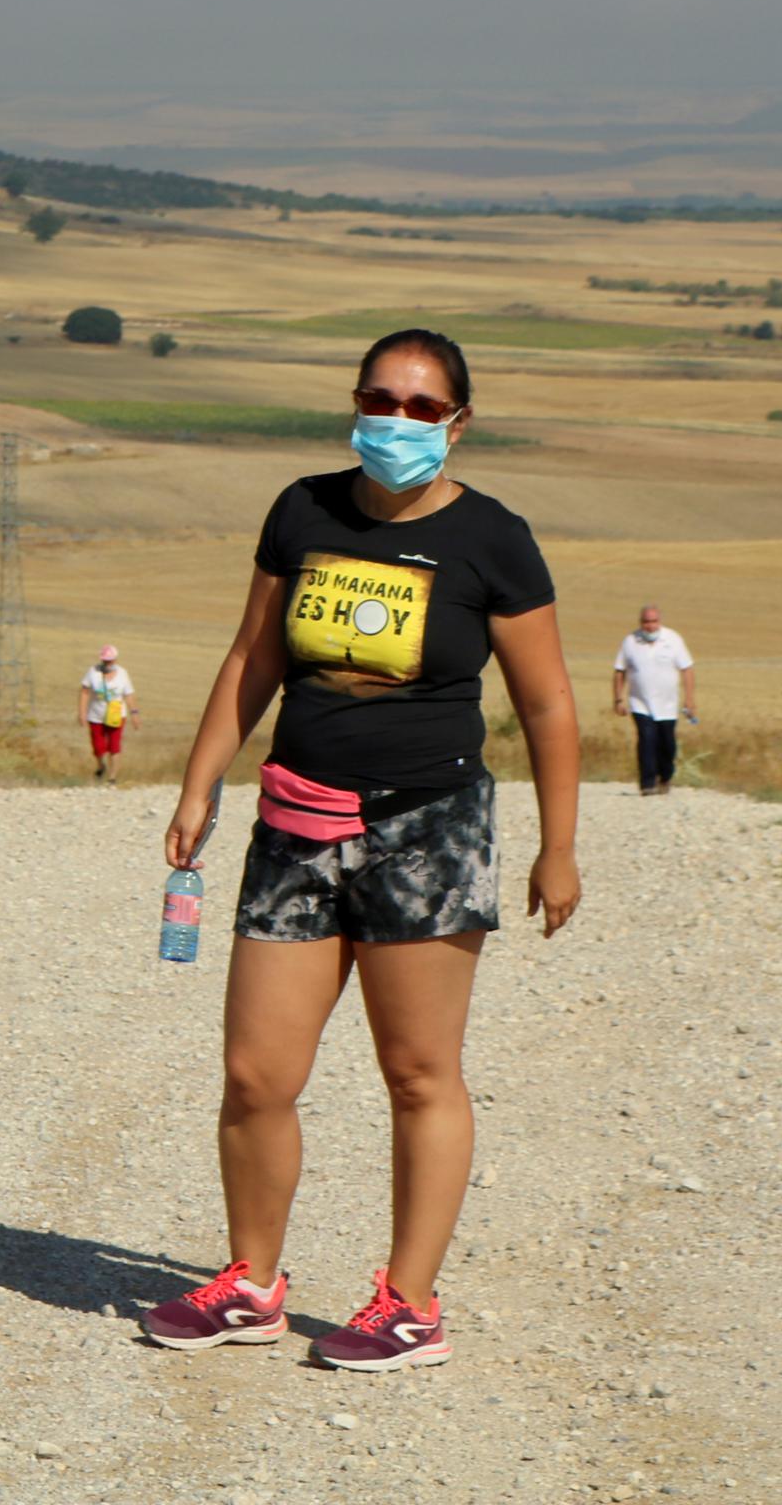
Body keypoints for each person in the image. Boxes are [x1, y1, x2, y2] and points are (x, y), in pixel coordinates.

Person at [140, 327, 580, 1372]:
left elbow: (550, 699)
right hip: (294, 820)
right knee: (255, 1071)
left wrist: (559, 845)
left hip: (426, 828)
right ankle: (251, 1283)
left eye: (423, 408)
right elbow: (253, 652)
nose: (397, 421)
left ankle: (410, 1302)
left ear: (458, 422)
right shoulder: (303, 509)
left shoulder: (494, 538)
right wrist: (201, 779)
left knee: (420, 1069)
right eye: (380, 398)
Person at [611, 605, 696, 796]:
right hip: (640, 703)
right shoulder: (630, 642)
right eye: (646, 622)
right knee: (647, 740)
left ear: (660, 621)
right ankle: (647, 783)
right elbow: (619, 671)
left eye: (654, 621)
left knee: (667, 744)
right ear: (641, 622)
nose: (650, 626)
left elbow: (687, 669)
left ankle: (665, 777)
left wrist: (689, 700)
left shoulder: (673, 640)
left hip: (668, 705)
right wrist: (618, 699)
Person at [81, 645, 137, 783]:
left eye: (110, 661)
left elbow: (129, 694)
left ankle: (113, 777)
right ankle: (101, 766)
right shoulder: (92, 672)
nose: (107, 663)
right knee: (98, 747)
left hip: (116, 716)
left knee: (114, 746)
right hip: (96, 716)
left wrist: (134, 713)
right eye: (105, 660)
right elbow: (84, 691)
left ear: (115, 660)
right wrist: (82, 712)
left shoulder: (123, 674)